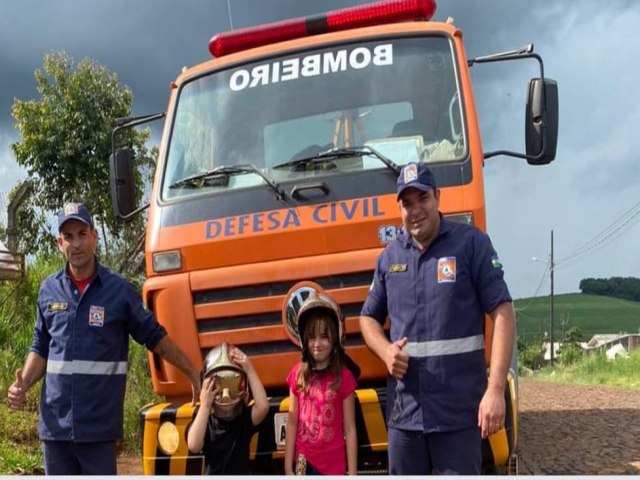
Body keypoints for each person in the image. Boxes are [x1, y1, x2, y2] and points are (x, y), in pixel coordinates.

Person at [6, 202, 201, 475]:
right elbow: (41, 346)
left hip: (98, 431)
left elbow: (155, 338)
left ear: (94, 236)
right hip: (55, 431)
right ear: (59, 242)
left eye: (82, 234)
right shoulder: (49, 289)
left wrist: (192, 373)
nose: (76, 244)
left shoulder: (118, 292)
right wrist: (23, 384)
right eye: (69, 237)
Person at [359, 162, 516, 475]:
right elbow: (367, 318)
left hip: (458, 418)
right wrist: (386, 350)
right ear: (400, 209)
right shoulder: (390, 258)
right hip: (405, 419)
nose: (415, 210)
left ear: (438, 198)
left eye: (423, 199)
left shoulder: (471, 244)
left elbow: (503, 311)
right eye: (407, 203)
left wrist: (496, 389)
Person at [284, 290, 358, 476]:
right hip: (303, 463)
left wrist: (354, 473)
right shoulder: (298, 374)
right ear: (304, 340)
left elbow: (349, 427)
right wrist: (287, 467)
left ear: (335, 339)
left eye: (324, 337)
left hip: (333, 467)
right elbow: (292, 421)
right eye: (312, 337)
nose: (317, 344)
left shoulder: (345, 377)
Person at [187, 342, 268, 474]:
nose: (225, 396)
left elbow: (263, 406)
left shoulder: (244, 419)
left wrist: (249, 369)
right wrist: (205, 406)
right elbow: (193, 445)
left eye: (232, 384)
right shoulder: (206, 421)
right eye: (218, 385)